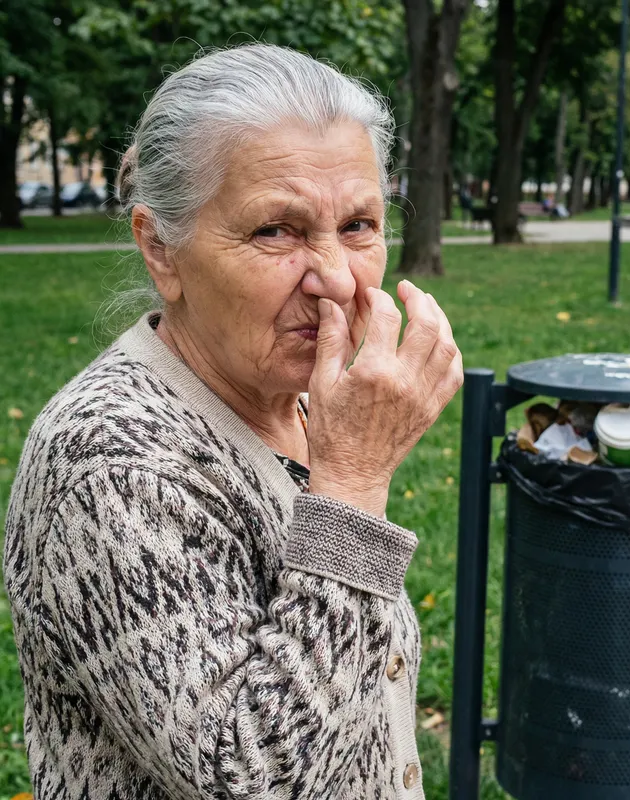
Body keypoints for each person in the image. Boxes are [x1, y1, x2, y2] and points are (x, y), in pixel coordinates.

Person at [3, 44, 463, 800]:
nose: (338, 278)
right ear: (161, 249)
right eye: (276, 231)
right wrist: (352, 483)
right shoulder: (109, 462)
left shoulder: (303, 402)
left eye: (358, 224)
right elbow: (250, 779)